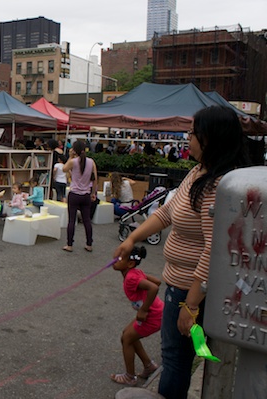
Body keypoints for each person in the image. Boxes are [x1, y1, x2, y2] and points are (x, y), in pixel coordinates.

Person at [113, 105, 251, 399]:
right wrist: (132, 237)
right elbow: (165, 214)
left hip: (190, 292)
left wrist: (190, 306)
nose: (187, 138)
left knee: (176, 359)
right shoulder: (198, 172)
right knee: (177, 356)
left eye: (193, 133)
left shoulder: (217, 186)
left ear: (211, 138)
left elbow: (213, 250)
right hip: (179, 286)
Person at [110, 245, 163, 386]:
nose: (115, 260)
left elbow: (154, 287)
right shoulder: (134, 273)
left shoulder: (131, 278)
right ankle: (148, 365)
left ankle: (130, 376)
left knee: (127, 339)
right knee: (127, 335)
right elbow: (156, 281)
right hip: (155, 312)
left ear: (130, 263)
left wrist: (143, 309)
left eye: (119, 259)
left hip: (153, 316)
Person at [63, 140, 97, 252]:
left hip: (74, 194)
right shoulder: (91, 162)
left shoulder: (73, 161)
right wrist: (93, 193)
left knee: (71, 220)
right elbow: (95, 178)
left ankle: (69, 244)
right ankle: (89, 244)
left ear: (74, 150)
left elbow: (64, 169)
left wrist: (70, 156)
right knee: (87, 220)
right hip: (86, 194)